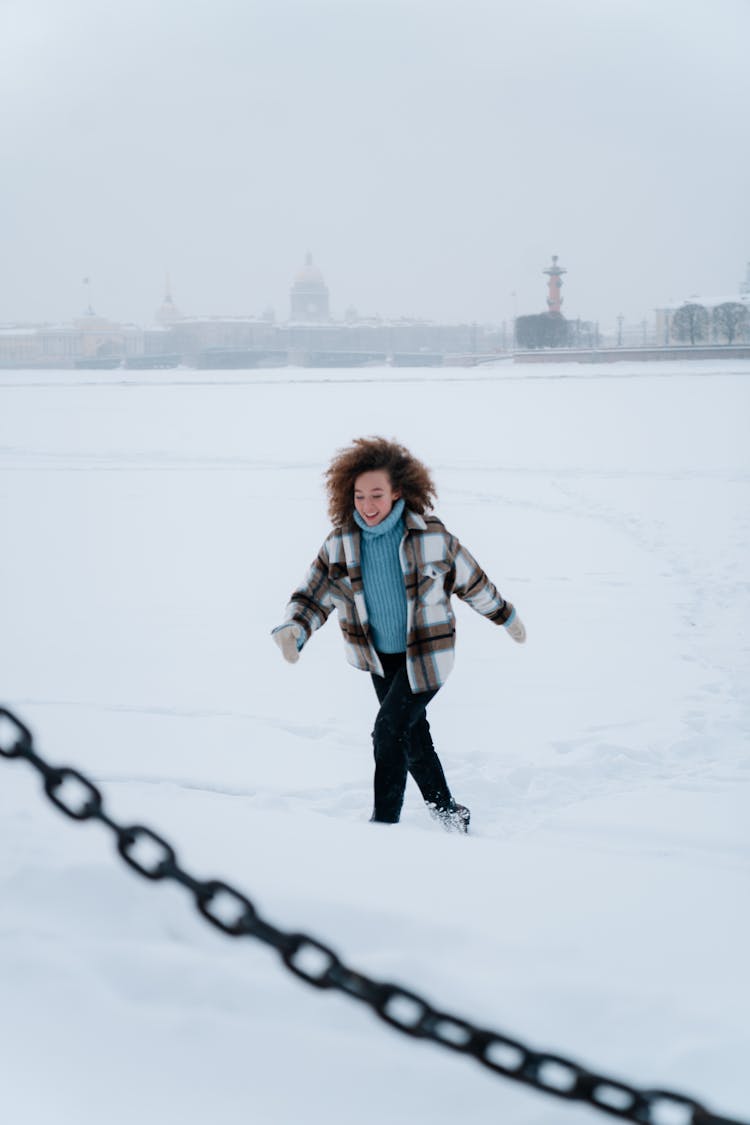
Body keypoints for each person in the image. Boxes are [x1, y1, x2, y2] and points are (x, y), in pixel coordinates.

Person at [272, 437, 526, 832]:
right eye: (359, 496)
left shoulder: (431, 537)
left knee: (388, 731)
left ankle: (382, 828)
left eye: (377, 494)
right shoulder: (341, 542)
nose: (368, 506)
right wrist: (295, 629)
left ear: (398, 492)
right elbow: (314, 592)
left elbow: (473, 583)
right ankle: (450, 814)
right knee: (412, 736)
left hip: (426, 655)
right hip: (379, 657)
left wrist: (506, 617)